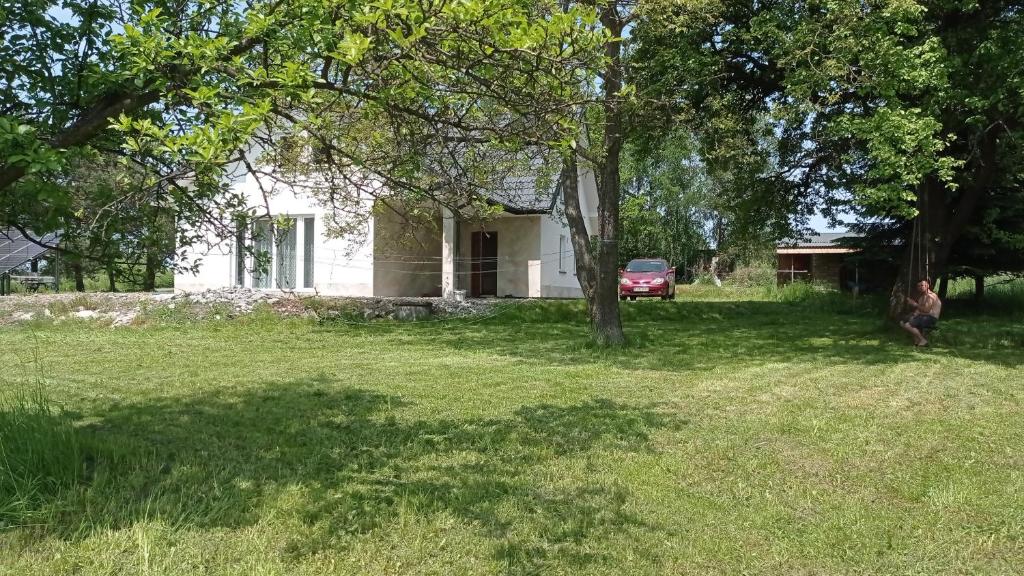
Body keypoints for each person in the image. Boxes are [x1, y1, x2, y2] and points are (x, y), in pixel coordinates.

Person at [900, 278, 942, 346]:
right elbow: (919, 310)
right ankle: (917, 340)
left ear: (927, 285)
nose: (920, 287)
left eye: (922, 285)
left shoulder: (931, 296)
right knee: (902, 322)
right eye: (918, 286)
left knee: (908, 324)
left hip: (931, 318)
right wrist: (914, 314)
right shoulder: (922, 297)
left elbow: (927, 310)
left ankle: (922, 340)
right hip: (923, 316)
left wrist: (915, 304)